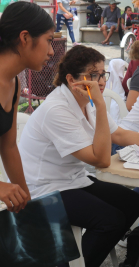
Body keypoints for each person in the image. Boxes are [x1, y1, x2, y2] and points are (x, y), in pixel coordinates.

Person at [18, 45, 139, 267]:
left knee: (131, 203)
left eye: (103, 74)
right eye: (93, 75)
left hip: (73, 179)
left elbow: (118, 134)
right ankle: (74, 263)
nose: (101, 81)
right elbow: (101, 160)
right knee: (110, 220)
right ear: (71, 79)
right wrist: (101, 105)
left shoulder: (86, 102)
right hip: (44, 188)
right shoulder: (58, 109)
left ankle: (81, 257)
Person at [0, 2, 53, 213]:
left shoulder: (14, 84)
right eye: (48, 41)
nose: (51, 51)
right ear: (25, 38)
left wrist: (27, 204)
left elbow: (9, 146)